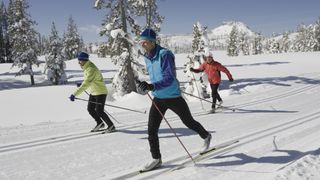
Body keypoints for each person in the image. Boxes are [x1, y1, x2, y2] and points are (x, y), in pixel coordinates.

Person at [137, 28, 211, 171]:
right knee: (151, 129)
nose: (142, 45)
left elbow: (169, 78)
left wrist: (152, 86)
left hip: (173, 97)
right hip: (158, 98)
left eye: (144, 42)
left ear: (152, 42)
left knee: (188, 122)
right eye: (141, 42)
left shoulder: (165, 55)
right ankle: (156, 159)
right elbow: (154, 76)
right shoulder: (147, 57)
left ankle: (206, 136)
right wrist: (145, 85)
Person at [69, 52, 115, 133]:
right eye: (78, 60)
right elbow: (89, 80)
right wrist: (82, 84)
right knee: (90, 109)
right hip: (94, 92)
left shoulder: (91, 69)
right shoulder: (87, 67)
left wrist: (74, 94)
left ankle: (111, 126)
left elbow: (87, 83)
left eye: (80, 60)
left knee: (99, 111)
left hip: (100, 92)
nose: (78, 62)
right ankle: (100, 123)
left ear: (84, 60)